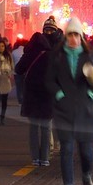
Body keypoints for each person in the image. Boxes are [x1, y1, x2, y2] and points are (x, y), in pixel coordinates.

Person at [45, 18, 93, 185]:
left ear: (81, 37)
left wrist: (91, 94)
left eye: (76, 35)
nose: (73, 38)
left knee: (86, 152)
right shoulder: (57, 56)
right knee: (66, 149)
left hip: (85, 111)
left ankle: (87, 176)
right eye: (70, 35)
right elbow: (49, 80)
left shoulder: (91, 55)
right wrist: (59, 94)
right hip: (64, 111)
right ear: (65, 36)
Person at [18, 31, 55, 165]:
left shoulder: (29, 54)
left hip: (32, 95)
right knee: (46, 127)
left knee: (33, 128)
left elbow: (18, 69)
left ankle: (35, 158)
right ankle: (45, 158)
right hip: (47, 95)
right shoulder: (51, 56)